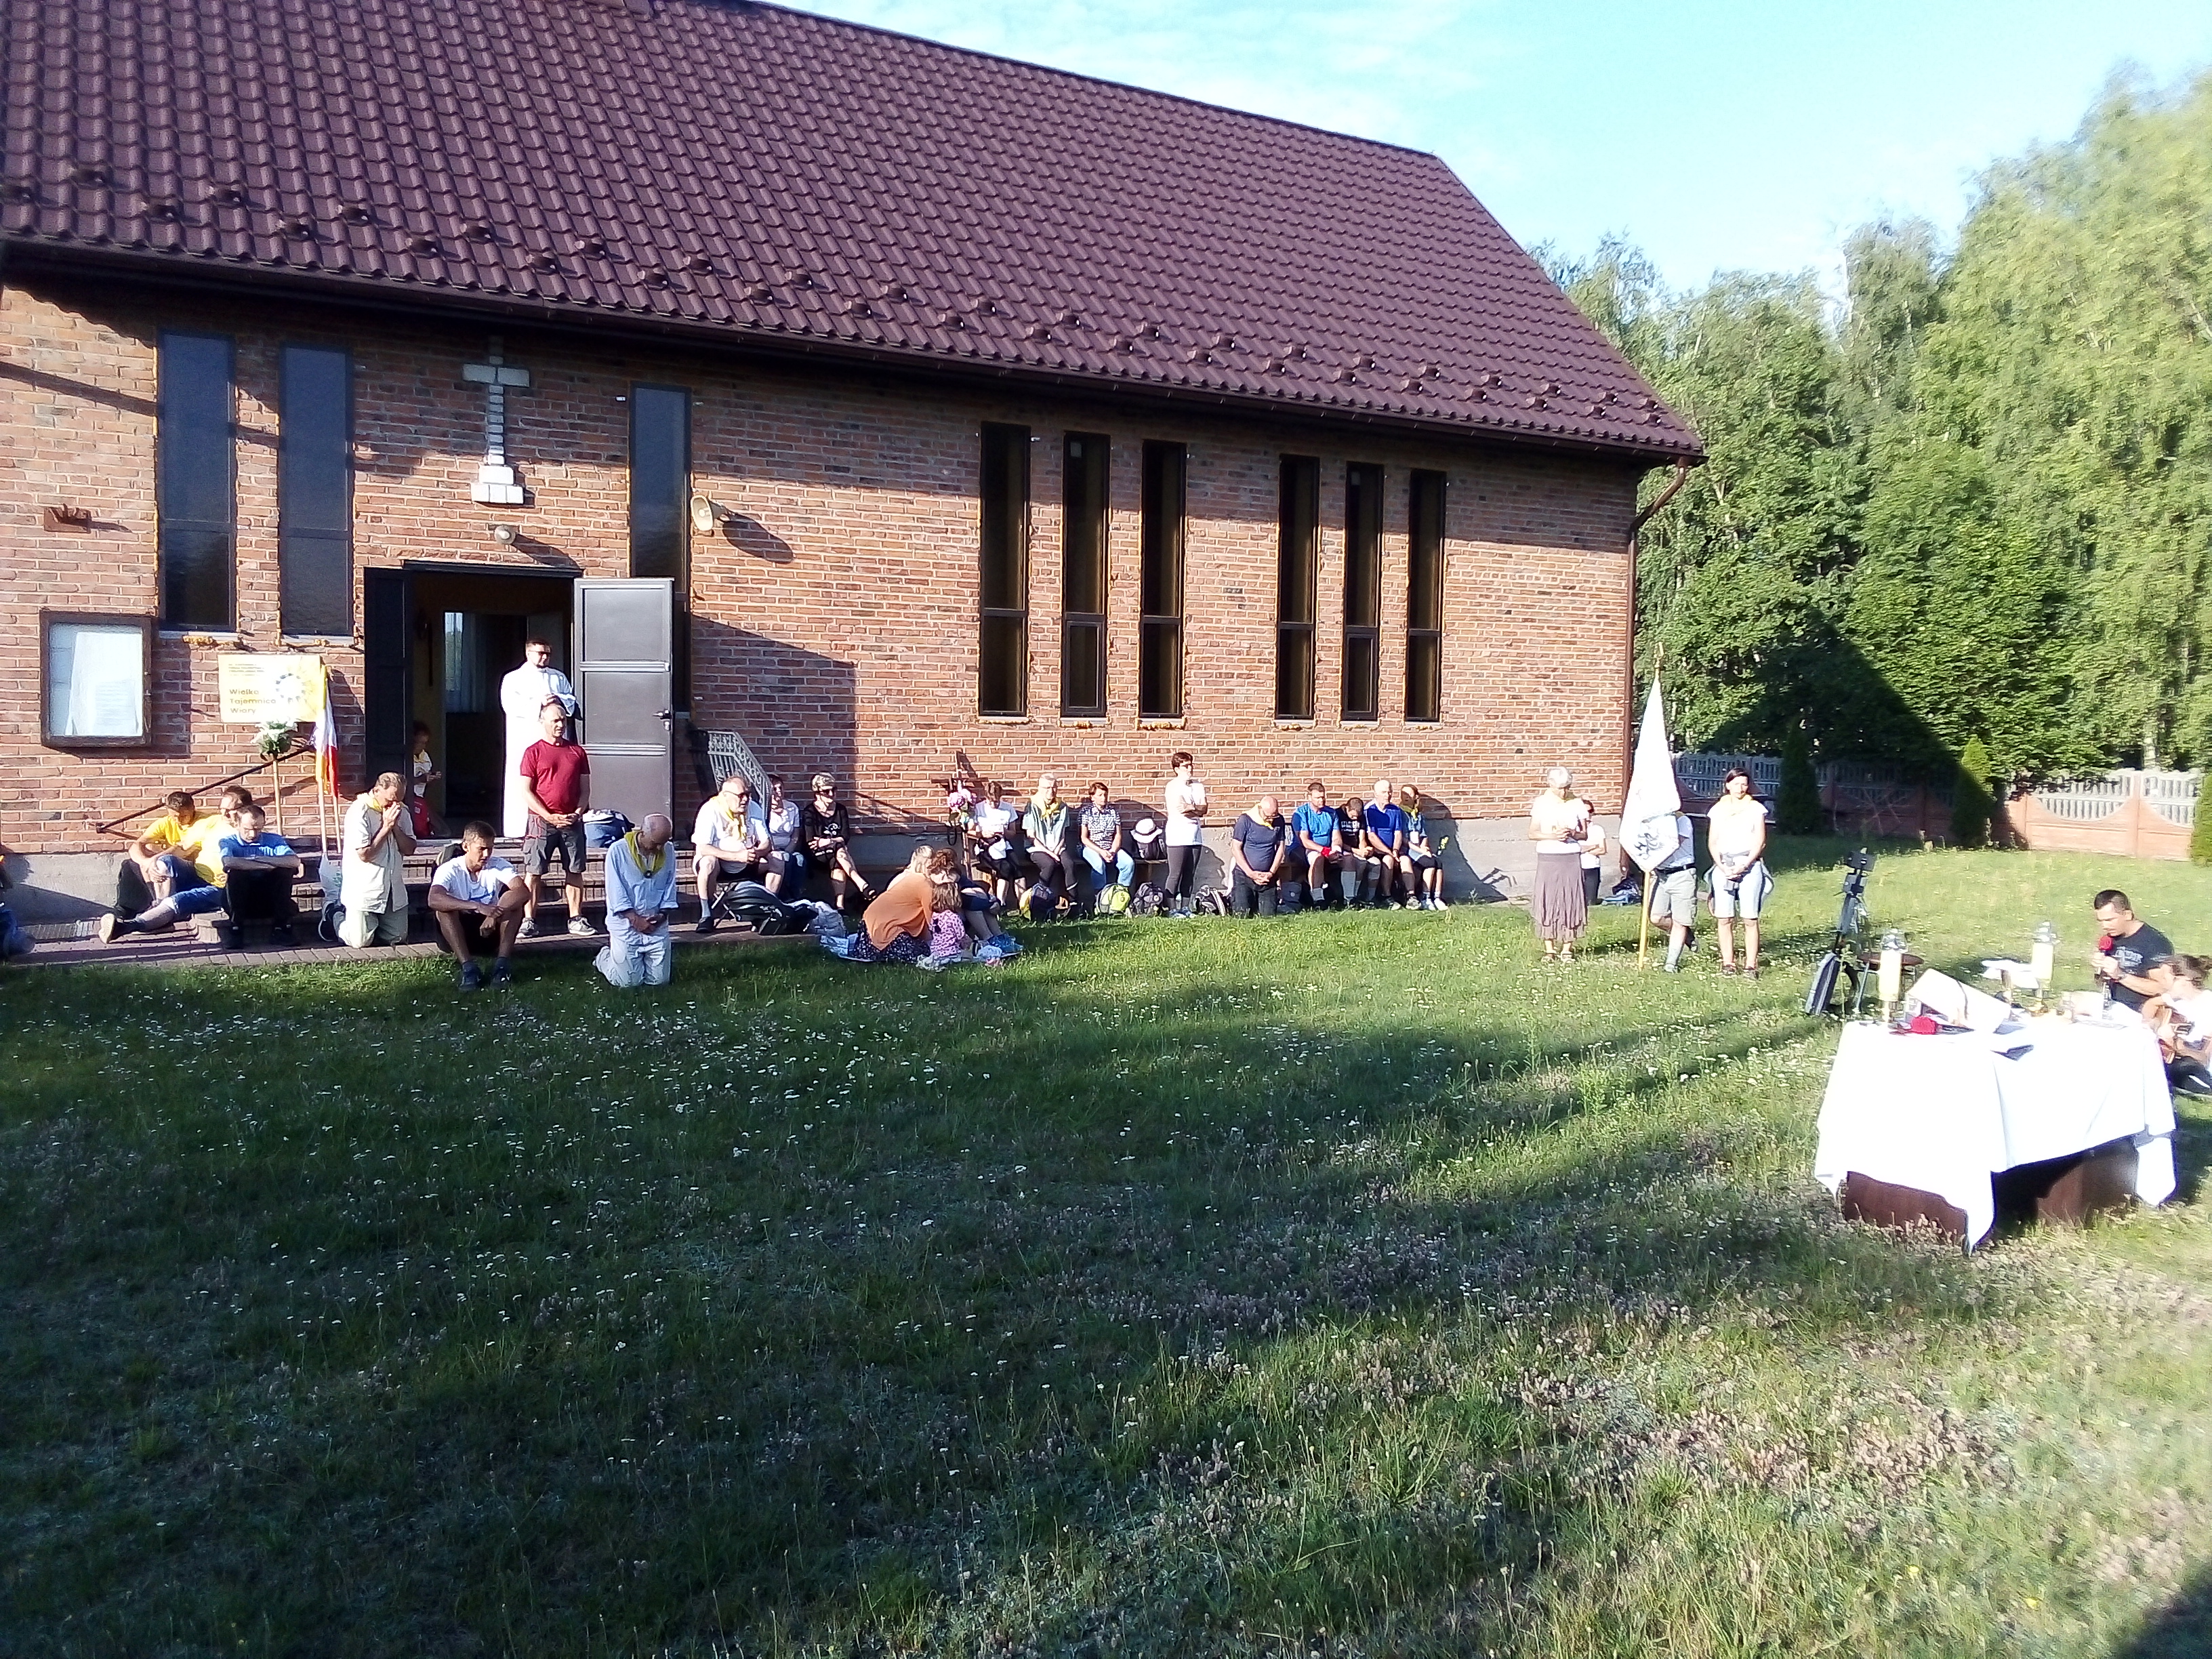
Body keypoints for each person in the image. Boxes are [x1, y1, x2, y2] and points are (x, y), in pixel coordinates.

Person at [518, 699, 594, 939]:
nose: (560, 725)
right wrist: (548, 815)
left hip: (572, 822)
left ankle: (576, 919)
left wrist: (577, 813)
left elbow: (585, 790)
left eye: (563, 720)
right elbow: (526, 791)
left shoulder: (577, 752)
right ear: (543, 722)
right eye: (555, 721)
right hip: (540, 823)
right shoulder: (533, 752)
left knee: (575, 869)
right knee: (534, 871)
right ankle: (528, 921)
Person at [104, 790, 227, 936]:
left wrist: (155, 859)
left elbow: (183, 850)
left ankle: (157, 915)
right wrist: (146, 862)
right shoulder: (166, 823)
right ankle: (129, 911)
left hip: (196, 871)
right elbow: (137, 845)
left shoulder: (204, 823)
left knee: (162, 860)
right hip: (170, 869)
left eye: (184, 816)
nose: (179, 820)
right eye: (174, 816)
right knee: (134, 862)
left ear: (193, 808)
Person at [428, 820, 527, 989]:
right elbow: (433, 899)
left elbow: (523, 891)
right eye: (481, 849)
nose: (487, 854)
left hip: (490, 930)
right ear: (466, 847)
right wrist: (476, 906)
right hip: (459, 932)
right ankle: (468, 968)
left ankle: (502, 967)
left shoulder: (499, 865)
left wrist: (493, 914)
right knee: (443, 911)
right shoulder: (450, 869)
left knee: (515, 907)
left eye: (490, 848)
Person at [499, 638, 577, 837]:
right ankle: (520, 829)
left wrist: (558, 699)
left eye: (547, 654)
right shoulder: (513, 678)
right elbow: (509, 705)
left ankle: (557, 822)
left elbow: (571, 699)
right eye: (540, 653)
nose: (545, 657)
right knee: (524, 780)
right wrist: (539, 702)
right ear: (528, 654)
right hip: (525, 737)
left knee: (554, 779)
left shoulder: (558, 677)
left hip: (554, 741)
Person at [596, 814, 679, 987]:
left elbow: (671, 884)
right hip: (626, 925)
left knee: (659, 981)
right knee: (628, 983)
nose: (659, 848)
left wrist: (663, 914)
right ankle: (604, 958)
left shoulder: (668, 849)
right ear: (643, 832)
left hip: (655, 925)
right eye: (655, 843)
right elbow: (615, 889)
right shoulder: (618, 850)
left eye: (663, 843)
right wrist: (634, 919)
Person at [338, 771, 417, 947]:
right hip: (364, 891)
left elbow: (410, 849)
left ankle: (373, 926)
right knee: (360, 942)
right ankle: (335, 916)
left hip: (392, 890)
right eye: (390, 800)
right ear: (376, 791)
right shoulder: (359, 811)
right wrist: (386, 828)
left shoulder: (401, 810)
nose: (394, 805)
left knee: (397, 938)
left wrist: (395, 827)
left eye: (399, 800)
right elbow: (365, 855)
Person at [1707, 766, 1771, 979]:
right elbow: (1713, 841)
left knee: (1750, 918)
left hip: (1749, 866)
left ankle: (1751, 966)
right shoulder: (1718, 810)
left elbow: (1760, 841)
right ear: (1728, 785)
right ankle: (1728, 963)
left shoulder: (1756, 809)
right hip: (1724, 865)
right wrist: (1722, 866)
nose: (1740, 788)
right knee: (1724, 918)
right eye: (1736, 784)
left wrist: (1745, 864)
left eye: (1744, 784)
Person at [214, 802, 301, 948]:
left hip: (269, 899)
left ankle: (281, 929)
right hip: (239, 900)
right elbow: (228, 862)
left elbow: (294, 861)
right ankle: (236, 929)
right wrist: (270, 864)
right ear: (237, 824)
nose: (253, 835)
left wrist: (252, 861)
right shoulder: (228, 842)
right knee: (237, 873)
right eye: (247, 829)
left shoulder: (274, 840)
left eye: (258, 829)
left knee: (284, 872)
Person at [691, 773, 771, 932]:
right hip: (720, 865)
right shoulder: (710, 809)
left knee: (778, 859)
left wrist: (757, 852)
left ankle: (767, 912)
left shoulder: (753, 807)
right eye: (741, 795)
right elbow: (704, 848)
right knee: (708, 861)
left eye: (748, 794)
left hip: (747, 861)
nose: (746, 799)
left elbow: (767, 842)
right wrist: (737, 856)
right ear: (726, 795)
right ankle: (706, 915)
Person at [1529, 766, 1589, 962]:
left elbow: (1584, 834)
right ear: (1550, 785)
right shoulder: (1541, 803)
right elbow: (1532, 833)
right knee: (1548, 899)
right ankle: (1550, 949)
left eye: (1567, 787)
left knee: (1571, 900)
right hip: (1548, 856)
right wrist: (1553, 836)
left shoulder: (1577, 803)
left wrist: (1573, 833)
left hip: (1570, 857)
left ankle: (1567, 948)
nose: (1563, 792)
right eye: (1560, 788)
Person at [848, 845, 948, 964]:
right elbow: (932, 920)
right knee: (922, 953)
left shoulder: (909, 878)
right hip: (887, 929)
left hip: (869, 924)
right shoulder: (925, 884)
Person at [2091, 889, 2173, 1013]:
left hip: (2141, 1011)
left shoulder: (2155, 943)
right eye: (2101, 921)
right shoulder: (2110, 938)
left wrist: (2120, 975)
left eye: (2110, 920)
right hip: (2110, 1004)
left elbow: (2162, 988)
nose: (2105, 926)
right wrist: (2100, 969)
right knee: (2071, 1002)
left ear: (2128, 915)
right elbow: (2101, 982)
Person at [800, 773, 874, 911]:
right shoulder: (809, 812)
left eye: (834, 790)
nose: (831, 794)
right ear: (817, 793)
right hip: (817, 855)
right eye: (826, 791)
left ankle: (840, 907)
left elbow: (845, 836)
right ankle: (861, 884)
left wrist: (828, 841)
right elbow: (812, 842)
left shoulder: (840, 810)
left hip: (836, 854)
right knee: (839, 848)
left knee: (838, 859)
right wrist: (835, 841)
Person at [1022, 773, 1087, 918]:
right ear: (1039, 788)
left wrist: (1057, 850)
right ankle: (1039, 903)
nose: (1051, 791)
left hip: (1057, 847)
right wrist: (1050, 853)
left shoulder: (1062, 806)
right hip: (1037, 848)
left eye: (1054, 788)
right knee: (1049, 864)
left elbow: (1063, 834)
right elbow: (1031, 836)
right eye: (1047, 788)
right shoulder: (1032, 805)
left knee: (1069, 864)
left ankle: (1074, 903)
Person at [2146, 954, 2212, 1096]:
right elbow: (2150, 1004)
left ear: (2185, 979)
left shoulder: (2208, 1005)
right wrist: (2154, 1024)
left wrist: (2177, 1046)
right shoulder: (2173, 999)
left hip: (2199, 1067)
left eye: (2166, 978)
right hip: (2176, 1059)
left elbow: (2204, 1058)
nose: (2162, 983)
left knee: (2179, 1070)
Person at [1651, 809, 1699, 972]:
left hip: (1682, 874)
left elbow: (1672, 845)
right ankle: (1687, 935)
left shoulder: (1682, 820)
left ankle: (1671, 964)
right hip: (1661, 875)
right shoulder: (1653, 822)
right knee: (1656, 918)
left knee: (1680, 921)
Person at [1162, 752, 1208, 918]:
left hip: (1195, 835)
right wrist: (1195, 809)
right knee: (1176, 873)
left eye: (1191, 765)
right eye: (1185, 766)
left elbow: (1204, 809)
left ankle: (1186, 907)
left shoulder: (1198, 786)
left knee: (1190, 873)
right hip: (1177, 834)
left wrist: (1192, 807)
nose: (1190, 769)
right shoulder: (1173, 786)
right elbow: (1181, 810)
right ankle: (1172, 909)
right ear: (1177, 769)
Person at [1229, 794, 1288, 917]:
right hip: (1244, 875)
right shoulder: (1245, 820)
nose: (1271, 820)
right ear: (1261, 809)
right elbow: (1236, 848)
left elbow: (1281, 848)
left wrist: (1271, 873)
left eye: (1274, 816)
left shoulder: (1279, 820)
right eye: (1268, 817)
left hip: (1267, 877)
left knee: (1269, 916)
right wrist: (1250, 873)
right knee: (1242, 914)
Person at [1292, 782, 1349, 911]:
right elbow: (1305, 841)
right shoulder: (1301, 814)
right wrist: (1326, 852)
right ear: (1309, 797)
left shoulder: (1331, 813)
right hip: (1305, 849)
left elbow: (1336, 836)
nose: (1321, 800)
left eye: (1323, 797)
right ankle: (1318, 899)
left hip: (1329, 849)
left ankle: (1349, 898)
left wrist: (1336, 850)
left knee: (1349, 859)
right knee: (1318, 858)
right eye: (1318, 798)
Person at [970, 779, 1025, 906]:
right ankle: (1000, 904)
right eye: (991, 801)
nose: (994, 804)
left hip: (1003, 843)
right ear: (986, 798)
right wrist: (982, 833)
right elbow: (969, 831)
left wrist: (1004, 831)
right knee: (1005, 868)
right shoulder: (978, 808)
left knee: (1018, 869)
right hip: (986, 846)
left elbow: (1013, 833)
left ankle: (1023, 905)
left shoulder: (1008, 808)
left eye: (996, 801)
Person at [1079, 781, 1134, 903]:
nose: (1103, 798)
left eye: (1105, 795)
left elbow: (1118, 835)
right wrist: (1101, 851)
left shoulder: (1113, 812)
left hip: (1110, 847)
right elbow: (1084, 838)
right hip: (1091, 848)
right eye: (1100, 795)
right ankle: (1100, 898)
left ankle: (1120, 895)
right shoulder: (1085, 812)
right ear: (1092, 797)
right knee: (1099, 865)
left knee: (1128, 863)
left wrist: (1113, 851)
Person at [1362, 779, 1411, 909]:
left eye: (1390, 792)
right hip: (1376, 850)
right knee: (1388, 860)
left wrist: (1395, 850)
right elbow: (1372, 836)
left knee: (1406, 860)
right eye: (1384, 792)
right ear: (1376, 793)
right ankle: (1386, 896)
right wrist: (1390, 853)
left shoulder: (1395, 810)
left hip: (1393, 850)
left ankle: (1411, 896)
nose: (1388, 795)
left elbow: (1398, 833)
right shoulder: (1369, 810)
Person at [754, 774, 804, 897]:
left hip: (788, 847)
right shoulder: (762, 810)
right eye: (774, 789)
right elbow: (763, 834)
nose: (779, 791)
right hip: (771, 850)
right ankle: (783, 896)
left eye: (780, 788)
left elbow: (796, 834)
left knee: (800, 859)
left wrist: (789, 850)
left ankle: (796, 895)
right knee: (784, 859)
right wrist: (775, 850)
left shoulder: (792, 808)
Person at [1400, 785, 1446, 910]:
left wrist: (1424, 847)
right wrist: (1420, 851)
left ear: (1416, 797)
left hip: (1419, 848)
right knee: (1429, 862)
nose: (1406, 797)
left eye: (1409, 794)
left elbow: (1423, 834)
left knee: (1438, 862)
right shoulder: (1400, 813)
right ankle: (1425, 897)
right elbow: (1402, 839)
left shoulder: (1419, 815)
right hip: (1408, 849)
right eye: (1404, 794)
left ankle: (1437, 897)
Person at [1334, 790, 1378, 905]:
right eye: (1352, 816)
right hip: (1342, 848)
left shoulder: (1361, 817)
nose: (1355, 819)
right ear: (1347, 808)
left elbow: (1362, 837)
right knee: (1355, 861)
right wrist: (1356, 851)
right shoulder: (1338, 814)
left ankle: (1360, 895)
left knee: (1370, 863)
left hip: (1356, 849)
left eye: (1357, 816)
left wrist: (1364, 850)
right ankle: (1349, 897)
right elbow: (1337, 840)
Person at [407, 721, 442, 840]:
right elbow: (401, 781)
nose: (422, 747)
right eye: (419, 743)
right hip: (407, 799)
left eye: (425, 743)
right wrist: (419, 779)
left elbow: (427, 785)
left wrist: (431, 778)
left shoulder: (425, 757)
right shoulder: (404, 757)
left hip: (420, 798)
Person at [1576, 795, 1608, 909]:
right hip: (1577, 868)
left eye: (1590, 812)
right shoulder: (1574, 830)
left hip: (1592, 867)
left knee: (1591, 902)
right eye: (1585, 812)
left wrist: (1584, 849)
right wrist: (1593, 846)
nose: (1588, 815)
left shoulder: (1597, 829)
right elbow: (1576, 850)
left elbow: (1603, 850)